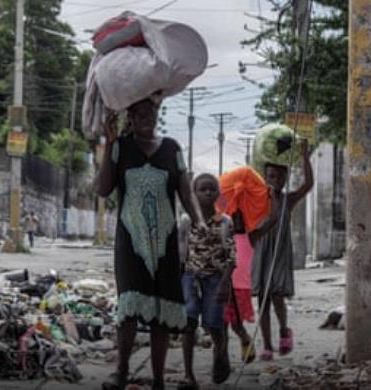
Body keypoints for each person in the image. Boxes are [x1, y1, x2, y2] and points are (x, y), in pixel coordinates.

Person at [97, 97, 205, 390]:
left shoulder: (172, 148)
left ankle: (158, 380)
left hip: (166, 241)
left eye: (153, 111)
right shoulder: (120, 147)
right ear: (129, 116)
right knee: (130, 304)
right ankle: (121, 372)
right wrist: (109, 143)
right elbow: (103, 188)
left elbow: (185, 189)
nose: (148, 116)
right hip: (130, 242)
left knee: (161, 309)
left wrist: (199, 220)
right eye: (141, 112)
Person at [250, 139, 313, 361]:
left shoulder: (288, 200)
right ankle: (267, 345)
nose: (276, 180)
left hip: (280, 255)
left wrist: (305, 156)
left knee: (277, 297)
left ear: (286, 178)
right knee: (263, 301)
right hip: (262, 254)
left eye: (280, 176)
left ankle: (284, 330)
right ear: (265, 178)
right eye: (271, 176)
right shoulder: (257, 200)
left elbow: (308, 185)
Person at [178, 173, 234, 390]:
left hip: (215, 280)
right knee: (188, 325)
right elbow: (180, 254)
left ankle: (221, 354)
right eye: (203, 189)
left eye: (212, 189)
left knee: (215, 326)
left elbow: (231, 256)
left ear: (218, 194)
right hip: (190, 278)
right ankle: (188, 375)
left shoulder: (224, 221)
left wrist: (225, 283)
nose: (208, 192)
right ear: (194, 193)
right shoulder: (186, 220)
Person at [223, 210, 256, 364]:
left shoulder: (250, 237)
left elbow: (271, 222)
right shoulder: (223, 236)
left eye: (240, 218)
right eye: (233, 218)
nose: (237, 222)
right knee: (221, 324)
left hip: (241, 287)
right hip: (224, 285)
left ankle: (245, 339)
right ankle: (222, 358)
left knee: (236, 324)